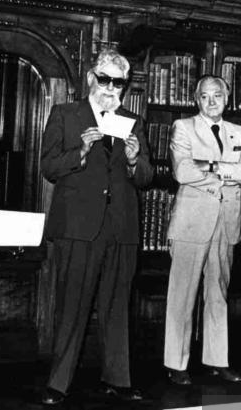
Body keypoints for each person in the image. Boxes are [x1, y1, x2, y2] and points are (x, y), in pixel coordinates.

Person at [39, 49, 153, 406]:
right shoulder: (65, 114)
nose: (110, 88)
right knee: (72, 306)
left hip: (120, 227)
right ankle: (58, 384)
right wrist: (81, 151)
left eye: (118, 83)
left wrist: (135, 160)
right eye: (104, 79)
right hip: (78, 226)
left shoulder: (133, 121)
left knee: (117, 307)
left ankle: (118, 379)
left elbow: (147, 177)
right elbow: (49, 167)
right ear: (91, 77)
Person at [163, 75, 241, 385]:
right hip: (192, 220)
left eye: (217, 95)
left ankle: (217, 359)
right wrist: (229, 173)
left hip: (226, 222)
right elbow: (183, 170)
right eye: (205, 96)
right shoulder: (183, 127)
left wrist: (214, 166)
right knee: (183, 294)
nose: (212, 101)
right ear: (197, 100)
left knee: (218, 292)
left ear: (226, 99)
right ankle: (176, 364)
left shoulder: (239, 131)